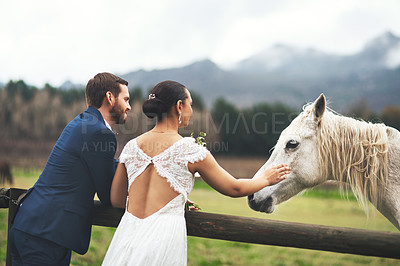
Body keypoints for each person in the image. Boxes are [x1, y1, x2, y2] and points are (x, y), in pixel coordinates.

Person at [102, 80, 290, 265]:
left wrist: (170, 200)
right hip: (162, 238)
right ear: (179, 106)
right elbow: (234, 188)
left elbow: (117, 201)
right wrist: (266, 179)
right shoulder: (190, 151)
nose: (191, 111)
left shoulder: (131, 147)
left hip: (128, 236)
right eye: (190, 105)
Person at [8, 72, 131, 265]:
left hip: (32, 228)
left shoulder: (82, 123)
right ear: (109, 97)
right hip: (46, 237)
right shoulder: (99, 132)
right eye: (126, 99)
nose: (129, 106)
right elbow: (109, 196)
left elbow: (113, 168)